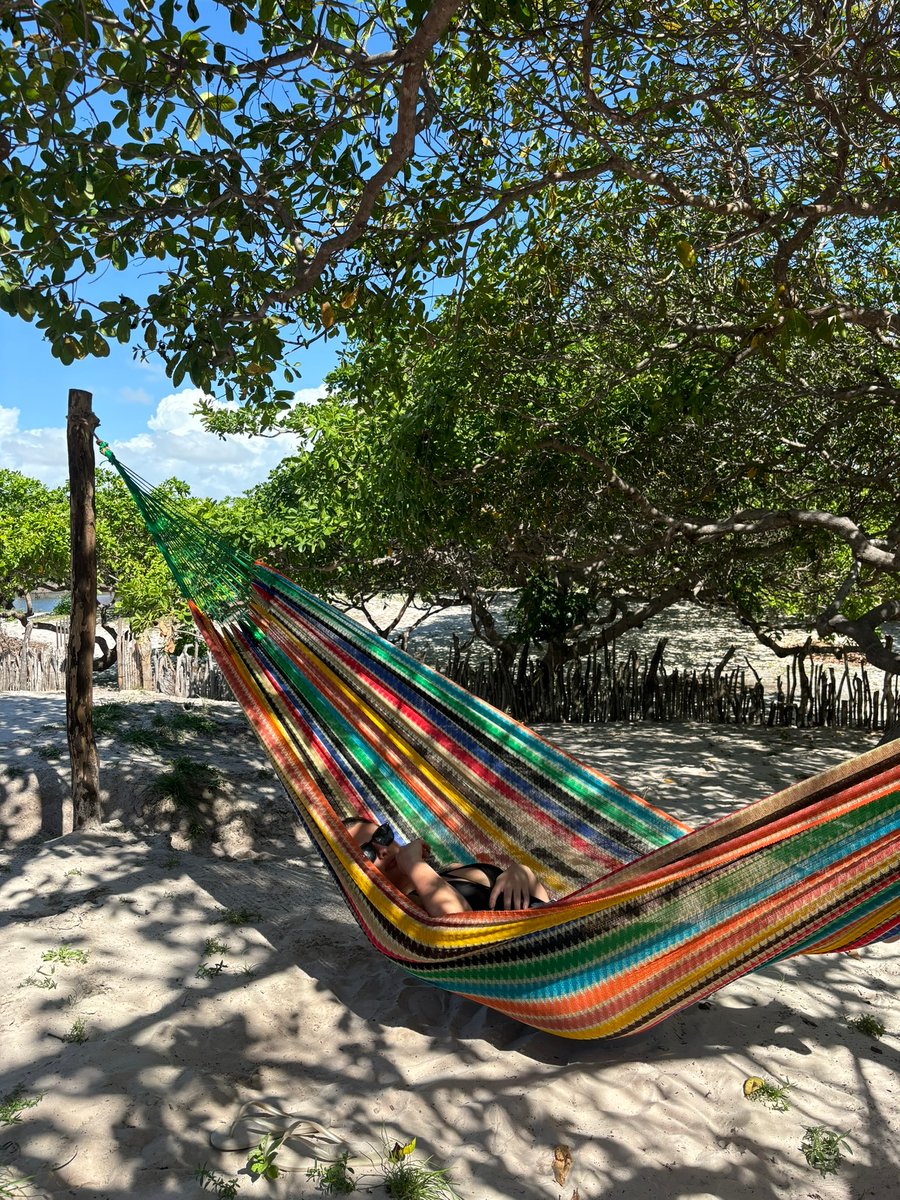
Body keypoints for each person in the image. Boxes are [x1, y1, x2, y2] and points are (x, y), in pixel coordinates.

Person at [345, 818, 550, 917]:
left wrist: (523, 872)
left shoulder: (454, 868)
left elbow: (543, 903)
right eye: (367, 852)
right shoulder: (406, 912)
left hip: (560, 928)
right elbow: (459, 928)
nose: (383, 850)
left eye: (382, 835)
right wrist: (413, 864)